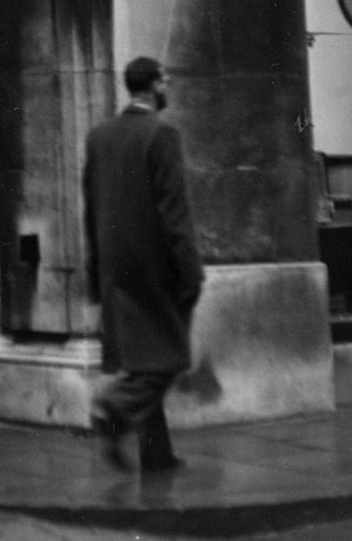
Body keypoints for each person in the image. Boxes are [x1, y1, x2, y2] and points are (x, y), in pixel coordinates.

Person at [84, 56, 204, 473]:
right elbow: (175, 212)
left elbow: (90, 208)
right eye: (165, 80)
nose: (167, 85)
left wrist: (95, 274)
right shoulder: (162, 134)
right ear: (153, 86)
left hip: (116, 270)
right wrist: (191, 271)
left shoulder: (99, 137)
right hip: (155, 269)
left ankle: (157, 454)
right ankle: (112, 410)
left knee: (141, 357)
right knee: (166, 359)